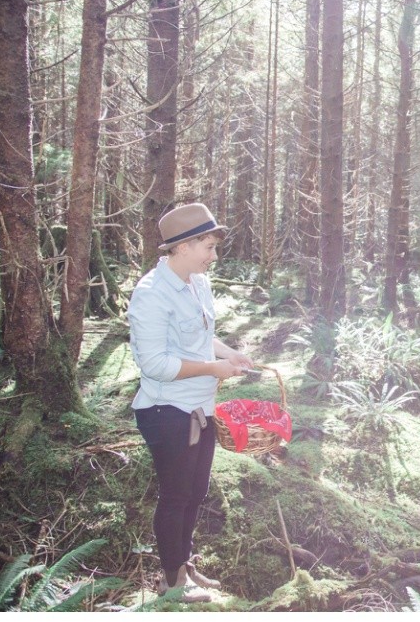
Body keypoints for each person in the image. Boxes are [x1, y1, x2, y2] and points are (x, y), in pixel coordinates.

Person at [127, 203, 253, 602]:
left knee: (196, 492)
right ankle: (171, 584)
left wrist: (229, 354)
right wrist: (213, 369)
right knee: (176, 495)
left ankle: (183, 564)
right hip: (167, 412)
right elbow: (156, 365)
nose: (213, 256)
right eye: (208, 246)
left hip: (202, 408)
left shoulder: (198, 283)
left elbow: (200, 338)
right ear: (182, 246)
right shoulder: (150, 295)